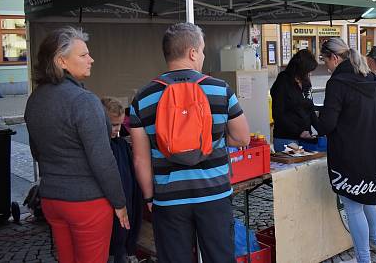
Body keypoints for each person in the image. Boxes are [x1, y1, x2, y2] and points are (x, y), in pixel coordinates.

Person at [129, 22, 250, 263]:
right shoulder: (220, 90)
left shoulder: (143, 97)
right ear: (193, 53)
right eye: (203, 50)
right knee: (220, 258)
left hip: (169, 198)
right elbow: (242, 137)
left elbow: (140, 158)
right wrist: (210, 137)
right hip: (214, 194)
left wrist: (149, 198)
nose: (203, 56)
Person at [25, 27, 129, 263]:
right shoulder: (84, 101)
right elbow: (102, 160)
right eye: (83, 55)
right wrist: (120, 203)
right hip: (86, 203)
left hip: (52, 199)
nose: (91, 59)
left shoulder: (36, 98)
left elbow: (36, 150)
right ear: (61, 61)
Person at [315, 38, 376, 263]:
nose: (326, 66)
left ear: (334, 58)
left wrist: (311, 120)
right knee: (367, 199)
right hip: (372, 151)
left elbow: (327, 124)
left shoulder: (337, 83)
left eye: (325, 60)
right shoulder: (369, 77)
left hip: (349, 154)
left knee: (353, 206)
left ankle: (363, 258)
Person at [101, 97, 143, 263]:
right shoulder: (103, 148)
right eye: (112, 125)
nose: (115, 129)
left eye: (118, 125)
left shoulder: (122, 145)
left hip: (126, 202)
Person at [270, 49, 318, 152]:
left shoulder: (306, 82)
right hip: (286, 138)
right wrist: (299, 131)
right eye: (308, 71)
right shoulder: (283, 81)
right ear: (301, 69)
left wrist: (321, 129)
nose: (310, 74)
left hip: (306, 139)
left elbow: (310, 108)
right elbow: (278, 114)